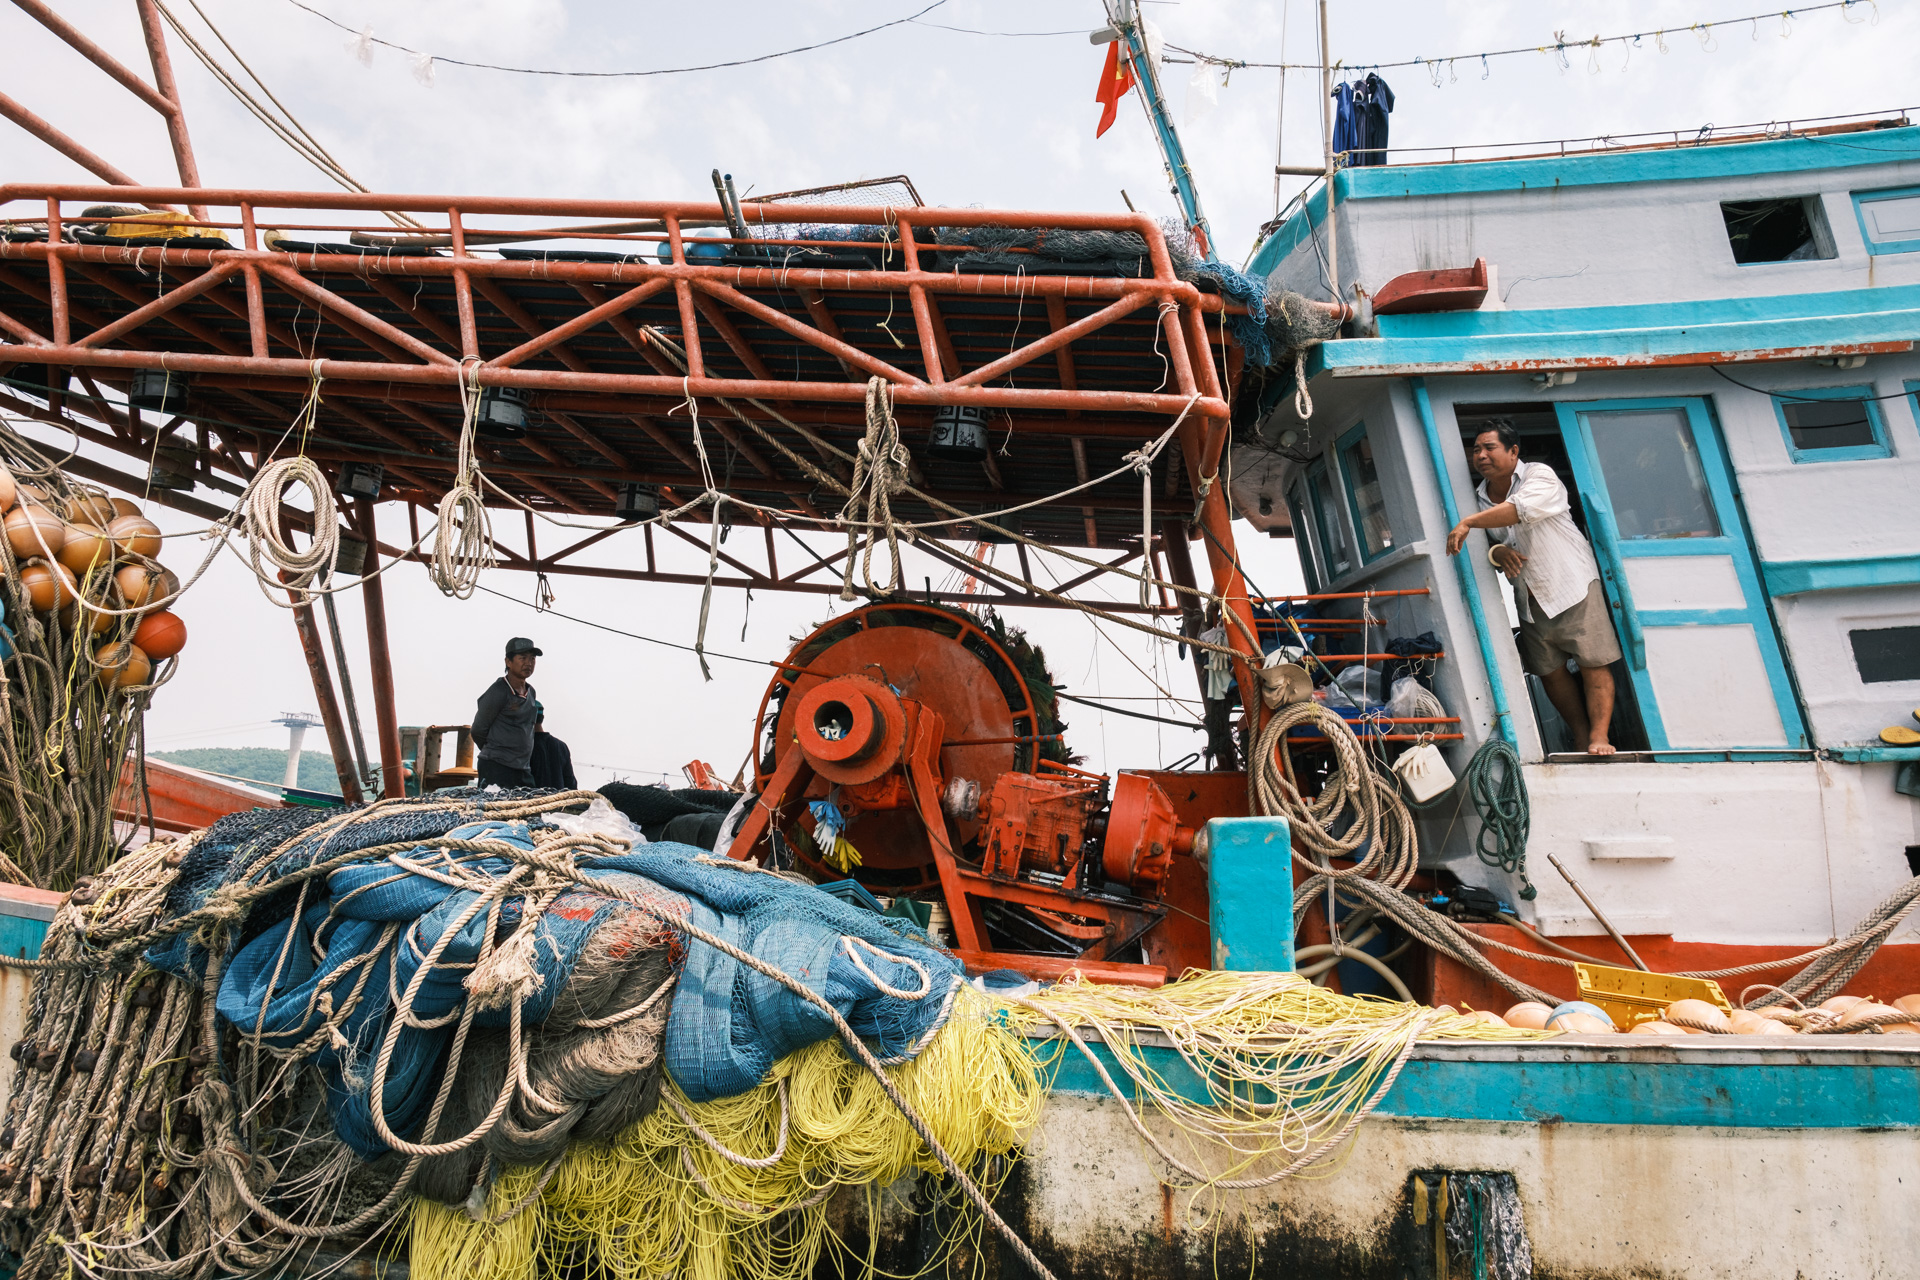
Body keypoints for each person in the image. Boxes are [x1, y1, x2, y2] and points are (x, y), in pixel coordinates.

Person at [1445, 422, 1622, 755]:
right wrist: (1499, 552)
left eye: (1489, 448)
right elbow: (1493, 544)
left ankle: (1601, 736)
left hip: (1572, 584)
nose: (1481, 455)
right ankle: (1582, 735)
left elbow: (1519, 510)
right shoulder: (1480, 496)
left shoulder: (1539, 476)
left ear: (1513, 452)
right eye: (1476, 450)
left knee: (1593, 663)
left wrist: (1467, 522)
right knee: (1550, 673)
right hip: (1529, 595)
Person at [473, 637, 541, 788]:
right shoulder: (498, 691)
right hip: (497, 767)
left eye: (532, 659)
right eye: (522, 658)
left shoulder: (531, 692)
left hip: (523, 768)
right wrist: (496, 751)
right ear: (508, 662)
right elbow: (478, 730)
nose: (528, 663)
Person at [530, 701, 577, 790]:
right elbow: (571, 785)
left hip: (533, 802)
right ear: (542, 718)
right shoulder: (561, 746)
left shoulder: (524, 747)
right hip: (560, 802)